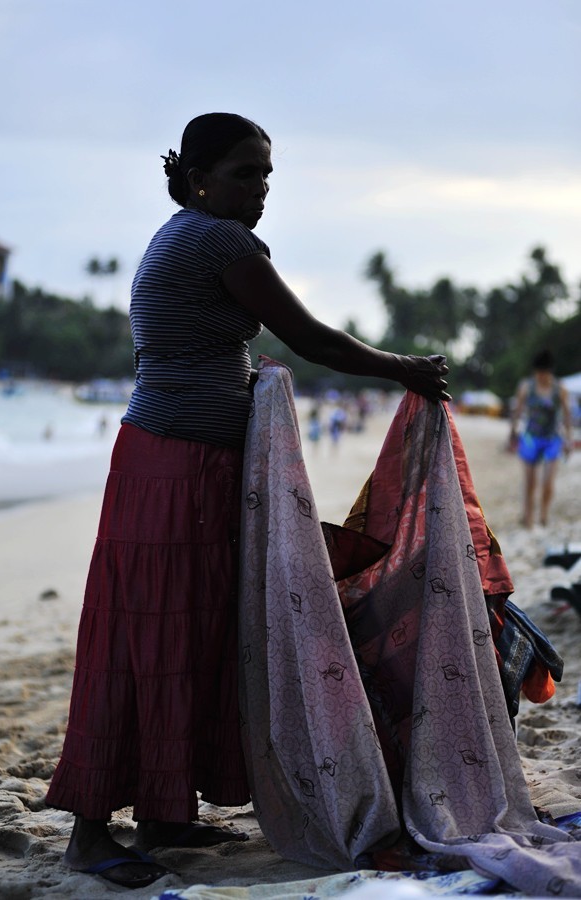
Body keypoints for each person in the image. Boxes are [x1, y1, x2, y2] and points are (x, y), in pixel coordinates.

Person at [45, 112, 450, 890]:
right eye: (243, 173)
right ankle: (88, 837)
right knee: (141, 640)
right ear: (200, 177)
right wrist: (404, 367)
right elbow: (312, 339)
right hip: (176, 471)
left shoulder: (179, 234)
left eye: (266, 174)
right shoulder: (220, 241)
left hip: (164, 463)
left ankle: (163, 812)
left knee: (188, 636)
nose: (259, 189)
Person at [510, 349, 572, 529]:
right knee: (530, 482)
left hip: (553, 439)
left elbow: (567, 416)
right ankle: (527, 517)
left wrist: (568, 440)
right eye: (537, 373)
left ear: (549, 372)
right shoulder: (526, 386)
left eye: (543, 373)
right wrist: (513, 432)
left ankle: (543, 513)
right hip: (531, 438)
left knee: (548, 482)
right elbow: (518, 410)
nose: (540, 376)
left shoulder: (560, 388)